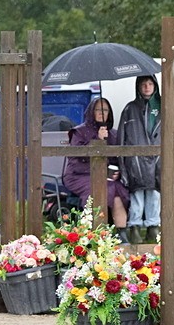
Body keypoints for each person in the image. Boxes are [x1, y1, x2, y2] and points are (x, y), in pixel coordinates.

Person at [63, 97, 130, 241]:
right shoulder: (78, 132)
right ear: (91, 111)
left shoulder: (113, 133)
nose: (101, 113)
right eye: (98, 109)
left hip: (106, 177)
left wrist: (117, 171)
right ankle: (97, 233)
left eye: (105, 110)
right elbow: (76, 160)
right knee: (99, 188)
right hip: (79, 175)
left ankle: (122, 233)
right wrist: (98, 141)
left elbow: (118, 159)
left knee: (118, 189)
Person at [118, 75, 161, 245]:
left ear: (155, 86)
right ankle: (134, 227)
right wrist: (122, 163)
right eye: (143, 84)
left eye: (150, 84)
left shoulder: (163, 107)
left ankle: (153, 227)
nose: (147, 87)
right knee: (137, 196)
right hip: (135, 161)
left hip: (157, 159)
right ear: (138, 86)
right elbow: (122, 136)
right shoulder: (130, 109)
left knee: (155, 195)